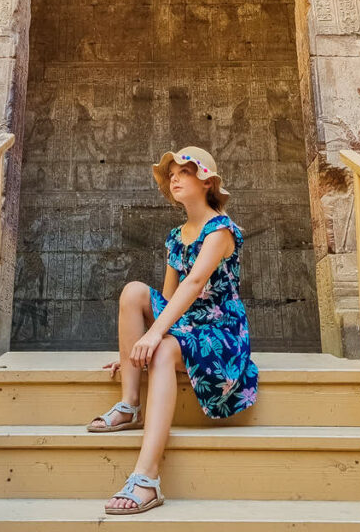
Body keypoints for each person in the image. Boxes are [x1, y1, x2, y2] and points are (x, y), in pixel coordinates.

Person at [87, 145, 259, 515]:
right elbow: (167, 299)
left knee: (163, 348)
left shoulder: (221, 231)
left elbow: (195, 283)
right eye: (171, 174)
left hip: (221, 332)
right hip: (187, 325)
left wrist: (153, 340)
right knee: (134, 291)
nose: (175, 177)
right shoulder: (175, 235)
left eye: (184, 171)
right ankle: (130, 404)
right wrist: (134, 351)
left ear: (206, 181)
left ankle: (147, 480)